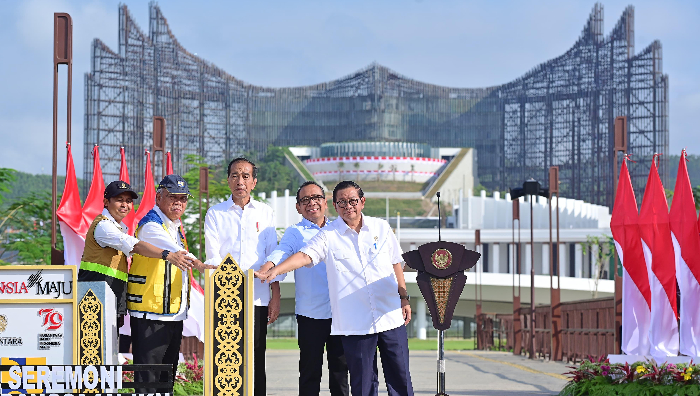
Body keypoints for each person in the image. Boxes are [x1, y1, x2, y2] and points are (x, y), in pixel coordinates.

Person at [257, 180, 414, 396]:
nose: (348, 206)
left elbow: (396, 262)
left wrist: (404, 297)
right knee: (361, 383)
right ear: (336, 204)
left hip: (388, 315)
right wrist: (273, 270)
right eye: (342, 202)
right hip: (353, 322)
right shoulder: (327, 235)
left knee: (399, 378)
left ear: (362, 202)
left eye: (352, 201)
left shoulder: (381, 227)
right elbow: (302, 256)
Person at [258, 181, 349, 396]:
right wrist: (268, 269)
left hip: (340, 312)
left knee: (340, 374)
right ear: (298, 207)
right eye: (305, 200)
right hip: (310, 313)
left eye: (316, 198)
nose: (312, 203)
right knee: (309, 373)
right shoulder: (295, 232)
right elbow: (282, 252)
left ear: (326, 202)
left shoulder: (340, 227)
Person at [204, 157, 284, 396]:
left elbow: (273, 257)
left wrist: (275, 296)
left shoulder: (266, 212)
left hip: (257, 297)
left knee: (257, 354)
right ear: (228, 180)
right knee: (226, 355)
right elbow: (212, 258)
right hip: (225, 298)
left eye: (246, 176)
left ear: (254, 182)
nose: (241, 181)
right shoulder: (215, 213)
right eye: (235, 176)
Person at [127, 175, 211, 394]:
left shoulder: (175, 226)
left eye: (183, 199)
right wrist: (200, 265)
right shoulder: (151, 225)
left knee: (166, 379)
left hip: (172, 313)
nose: (179, 203)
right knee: (148, 381)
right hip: (150, 314)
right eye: (173, 197)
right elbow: (175, 250)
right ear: (159, 197)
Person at [79, 180, 193, 329]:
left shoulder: (117, 227)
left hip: (109, 294)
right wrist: (168, 255)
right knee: (95, 348)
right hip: (94, 296)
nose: (125, 205)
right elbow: (135, 246)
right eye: (119, 200)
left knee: (108, 348)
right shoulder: (104, 226)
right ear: (106, 202)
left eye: (128, 201)